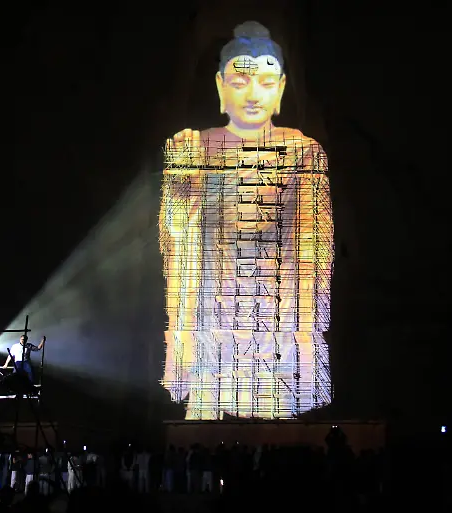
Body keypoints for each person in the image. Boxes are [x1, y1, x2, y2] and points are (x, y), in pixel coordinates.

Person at [159, 20, 334, 419]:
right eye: (239, 82)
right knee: (206, 409)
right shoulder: (196, 145)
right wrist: (182, 180)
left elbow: (315, 248)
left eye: (267, 82)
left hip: (275, 312)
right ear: (220, 86)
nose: (254, 95)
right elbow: (176, 233)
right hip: (213, 312)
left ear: (281, 89)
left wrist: (302, 326)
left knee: (277, 415)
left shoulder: (302, 150)